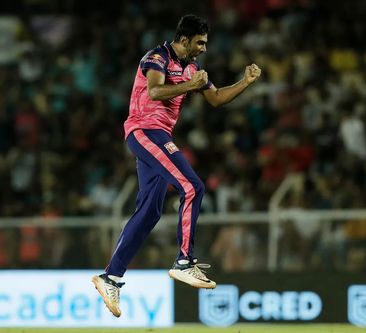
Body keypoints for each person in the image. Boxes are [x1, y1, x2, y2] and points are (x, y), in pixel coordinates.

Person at [92, 14, 261, 317]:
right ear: (184, 40)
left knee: (150, 210)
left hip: (159, 135)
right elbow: (155, 91)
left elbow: (217, 98)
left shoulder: (193, 68)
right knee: (192, 185)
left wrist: (245, 82)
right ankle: (184, 261)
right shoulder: (156, 57)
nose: (204, 48)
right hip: (144, 131)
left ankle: (110, 277)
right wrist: (188, 86)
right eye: (200, 42)